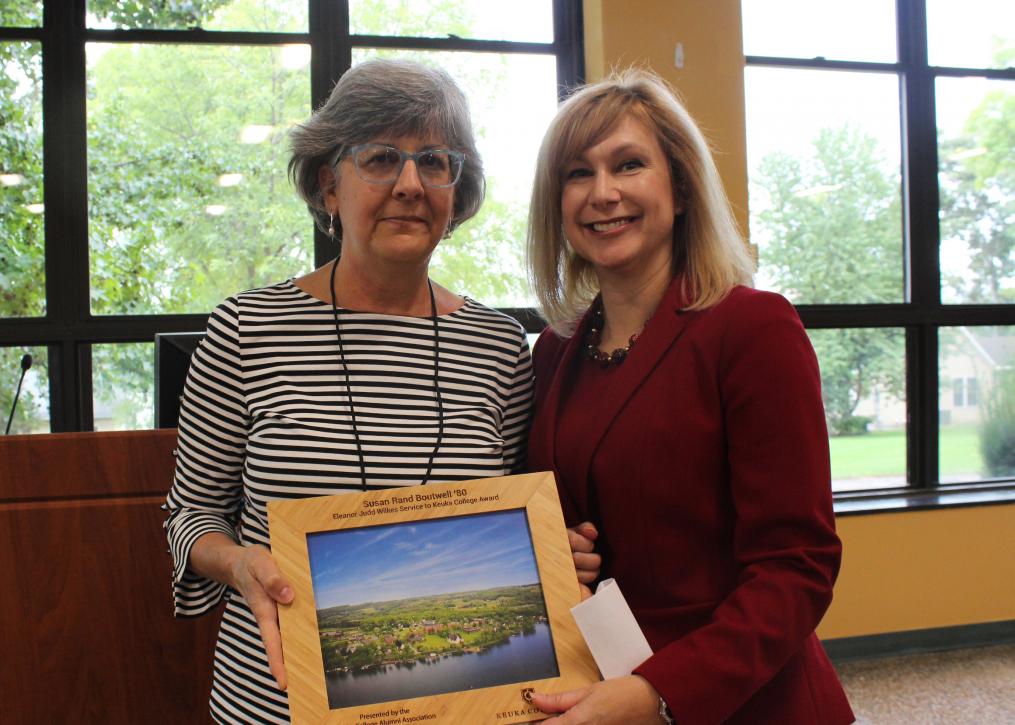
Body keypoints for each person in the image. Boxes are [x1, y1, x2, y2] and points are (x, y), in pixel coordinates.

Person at [162, 59, 535, 723]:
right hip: (274, 703)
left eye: (435, 161)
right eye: (382, 157)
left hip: (459, 703)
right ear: (328, 184)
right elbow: (191, 516)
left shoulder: (498, 347)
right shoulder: (247, 329)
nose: (410, 184)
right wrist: (240, 563)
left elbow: (508, 523)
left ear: (457, 190)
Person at [525, 69, 855, 724]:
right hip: (598, 684)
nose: (603, 192)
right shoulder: (554, 351)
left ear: (678, 186)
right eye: (577, 173)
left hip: (744, 698)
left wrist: (659, 691)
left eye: (627, 164)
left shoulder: (752, 329)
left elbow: (797, 566)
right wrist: (547, 551)